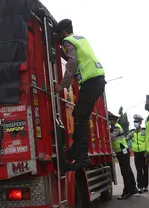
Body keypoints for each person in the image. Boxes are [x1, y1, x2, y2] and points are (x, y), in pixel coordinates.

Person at [53, 19, 106, 170]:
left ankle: (82, 156)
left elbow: (72, 63)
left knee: (80, 116)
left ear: (62, 33)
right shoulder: (80, 39)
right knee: (80, 114)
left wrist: (61, 85)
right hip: (97, 80)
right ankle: (78, 151)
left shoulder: (67, 42)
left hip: (91, 81)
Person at [109, 111, 138, 199]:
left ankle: (127, 191)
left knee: (125, 171)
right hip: (121, 151)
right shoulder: (114, 127)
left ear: (114, 120)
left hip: (123, 151)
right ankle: (133, 188)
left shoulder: (116, 127)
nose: (110, 121)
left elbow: (111, 137)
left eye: (111, 119)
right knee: (127, 170)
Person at [130, 114, 149, 193]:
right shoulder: (132, 132)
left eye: (137, 121)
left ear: (141, 122)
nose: (136, 123)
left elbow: (148, 142)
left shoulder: (144, 131)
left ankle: (145, 186)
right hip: (136, 153)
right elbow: (126, 138)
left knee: (145, 170)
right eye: (134, 121)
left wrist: (147, 152)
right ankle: (140, 187)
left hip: (144, 153)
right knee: (139, 170)